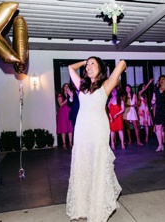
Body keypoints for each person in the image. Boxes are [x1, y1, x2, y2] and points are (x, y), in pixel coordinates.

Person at [65, 57, 125, 222]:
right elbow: (70, 67)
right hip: (82, 130)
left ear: (100, 68)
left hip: (98, 129)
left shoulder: (106, 85)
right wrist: (84, 61)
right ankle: (83, 205)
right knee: (83, 166)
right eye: (87, 65)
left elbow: (121, 64)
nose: (89, 66)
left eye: (93, 64)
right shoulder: (81, 86)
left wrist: (121, 65)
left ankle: (98, 208)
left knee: (97, 165)